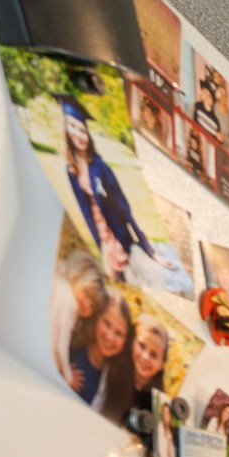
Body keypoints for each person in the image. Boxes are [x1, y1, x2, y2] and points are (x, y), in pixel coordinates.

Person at [60, 96, 154, 280]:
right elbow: (83, 211)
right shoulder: (71, 170)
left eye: (82, 129)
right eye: (72, 127)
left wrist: (146, 244)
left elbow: (123, 206)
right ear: (66, 129)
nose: (79, 134)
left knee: (125, 281)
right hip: (100, 238)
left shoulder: (100, 165)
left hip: (116, 235)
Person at [51, 248, 107, 392]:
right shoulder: (71, 304)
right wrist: (69, 377)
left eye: (92, 306)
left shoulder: (60, 285)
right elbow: (60, 347)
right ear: (78, 277)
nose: (86, 304)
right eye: (87, 293)